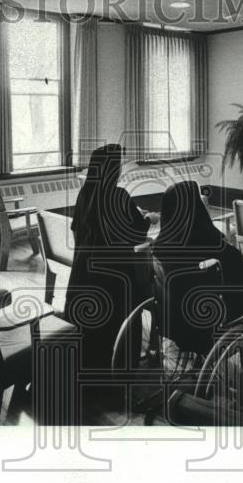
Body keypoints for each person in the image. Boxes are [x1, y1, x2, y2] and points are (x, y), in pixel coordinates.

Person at [152, 180, 243, 355]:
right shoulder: (213, 246)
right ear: (196, 207)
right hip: (210, 324)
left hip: (175, 323)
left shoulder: (159, 247)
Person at [64, 144, 151, 369]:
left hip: (83, 273)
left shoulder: (85, 194)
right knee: (142, 288)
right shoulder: (119, 195)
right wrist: (147, 218)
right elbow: (139, 232)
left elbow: (76, 230)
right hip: (114, 277)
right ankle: (125, 359)